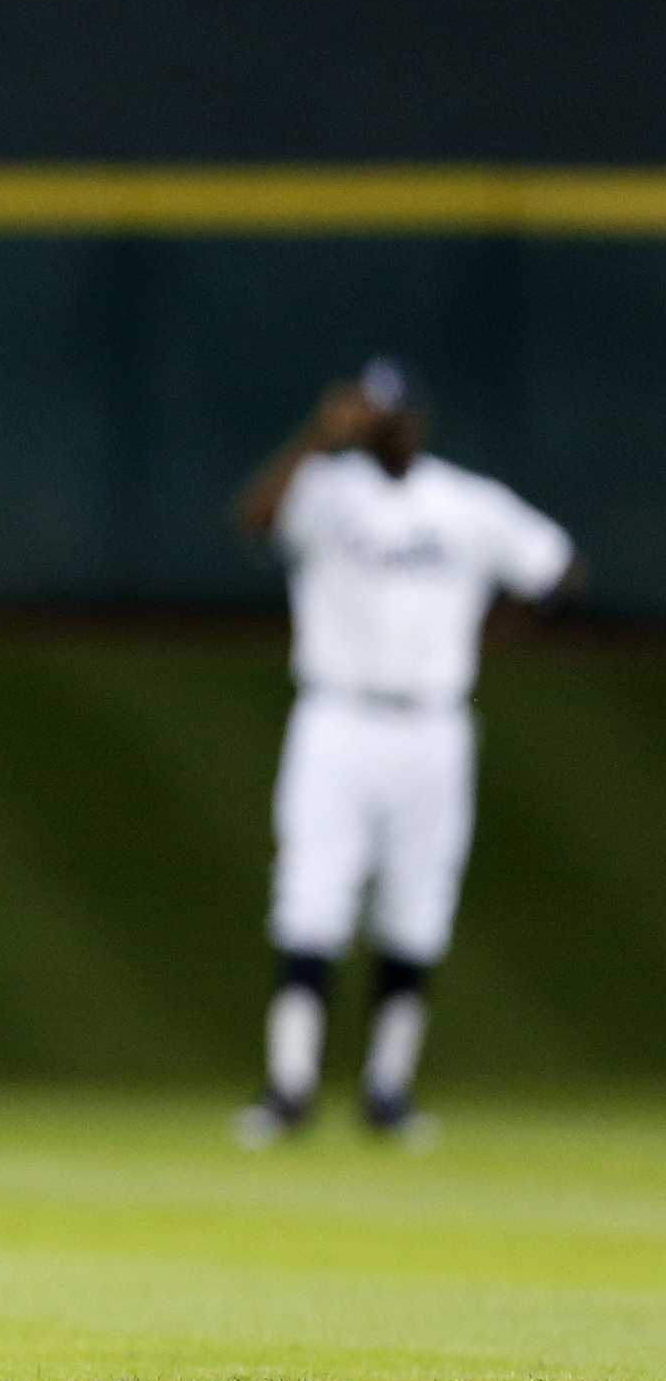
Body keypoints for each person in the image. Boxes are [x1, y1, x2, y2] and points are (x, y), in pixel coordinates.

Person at [232, 359, 578, 1147]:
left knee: (417, 907)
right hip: (336, 716)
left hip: (433, 724)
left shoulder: (465, 503)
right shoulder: (323, 491)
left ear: (417, 422)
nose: (382, 428)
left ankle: (388, 1089)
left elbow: (559, 571)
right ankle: (289, 1088)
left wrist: (490, 641)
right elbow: (254, 521)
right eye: (368, 414)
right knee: (310, 897)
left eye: (392, 416)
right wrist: (317, 441)